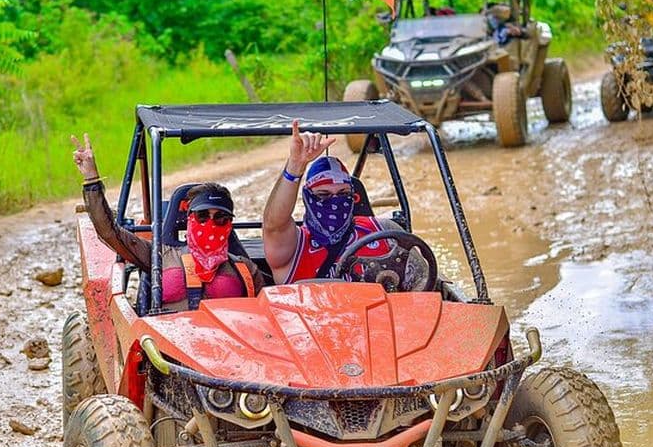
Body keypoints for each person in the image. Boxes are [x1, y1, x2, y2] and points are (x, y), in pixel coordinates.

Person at [71, 133, 264, 311]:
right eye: (202, 216)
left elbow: (266, 317)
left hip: (227, 344)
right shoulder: (160, 256)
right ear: (189, 218)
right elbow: (109, 233)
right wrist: (91, 180)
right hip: (166, 344)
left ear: (229, 224)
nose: (211, 224)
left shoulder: (244, 268)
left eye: (220, 218)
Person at [261, 121, 428, 290]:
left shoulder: (384, 231)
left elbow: (423, 286)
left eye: (343, 194)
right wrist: (295, 166)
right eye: (323, 195)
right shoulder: (293, 246)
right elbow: (273, 225)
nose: (335, 202)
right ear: (307, 198)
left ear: (354, 197)